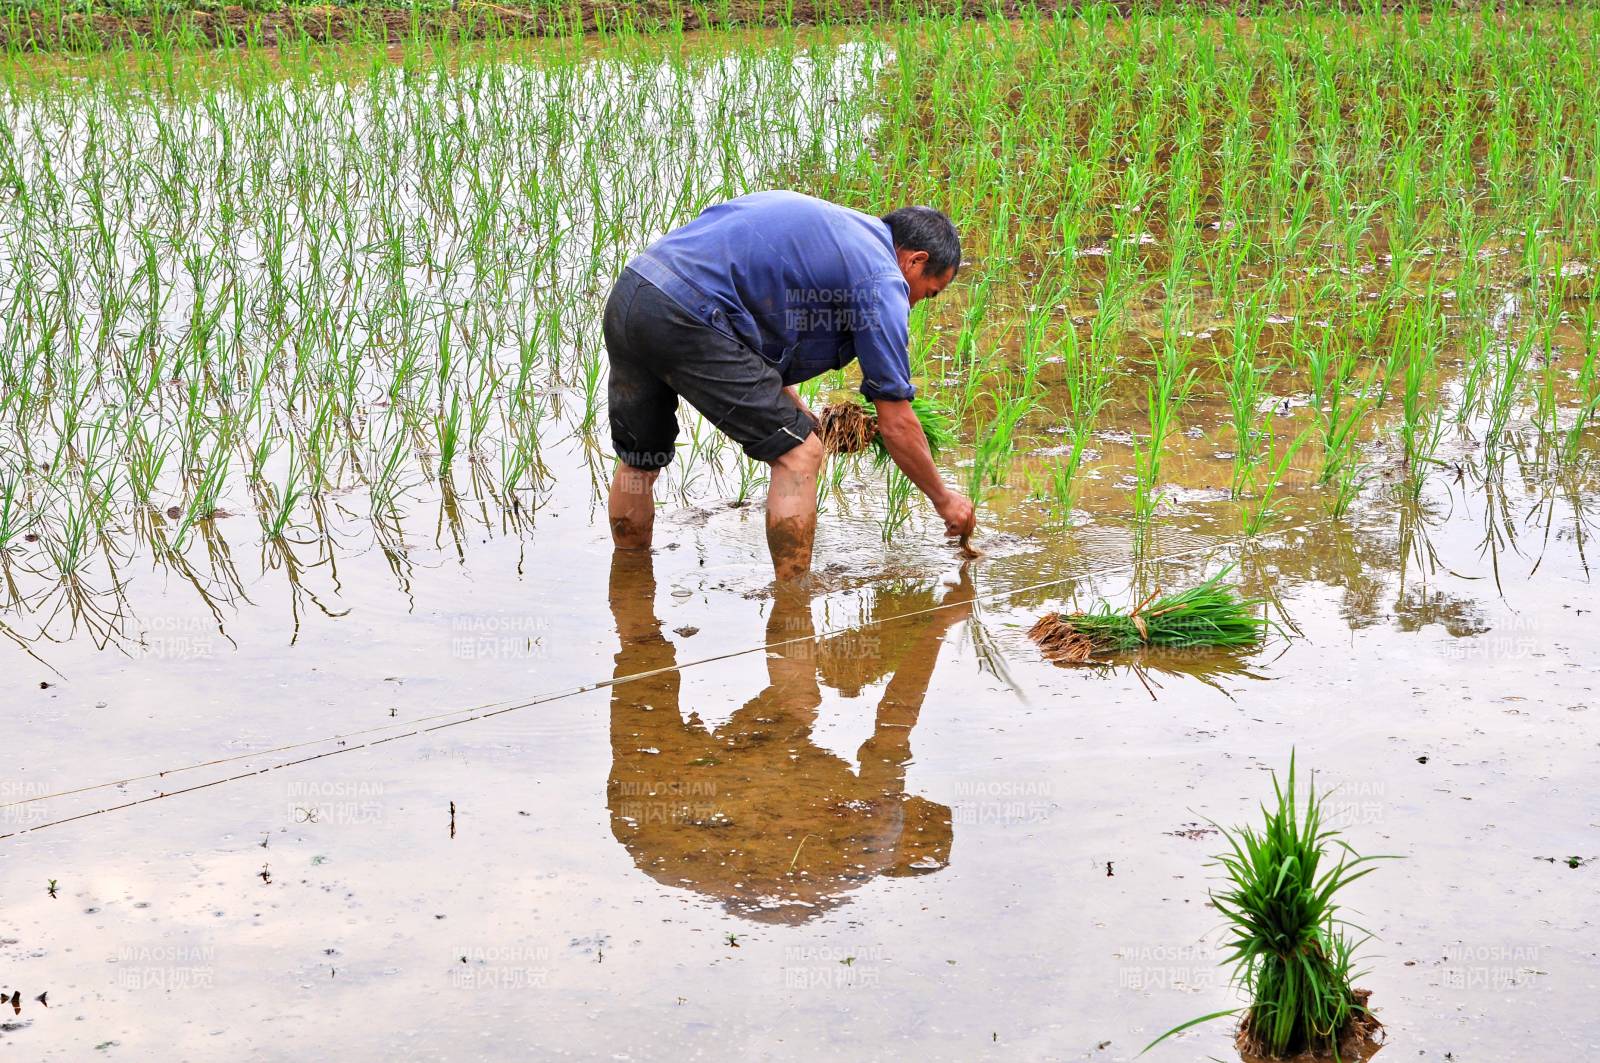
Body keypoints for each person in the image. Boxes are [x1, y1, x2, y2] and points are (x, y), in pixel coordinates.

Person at [601, 190, 977, 580]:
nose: (915, 303)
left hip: (634, 294)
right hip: (687, 316)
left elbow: (739, 306)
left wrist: (789, 400)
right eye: (927, 293)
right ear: (916, 260)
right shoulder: (881, 278)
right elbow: (896, 420)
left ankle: (631, 595)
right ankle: (793, 608)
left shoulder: (838, 230)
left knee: (639, 461)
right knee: (799, 454)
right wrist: (944, 499)